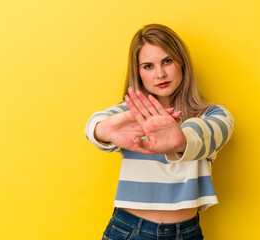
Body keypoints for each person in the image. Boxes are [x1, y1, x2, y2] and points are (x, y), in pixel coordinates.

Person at [85, 24, 234, 240]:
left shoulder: (212, 115)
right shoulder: (131, 114)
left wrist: (181, 140)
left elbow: (209, 132)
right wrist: (103, 130)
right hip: (129, 230)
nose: (160, 74)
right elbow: (96, 124)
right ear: (138, 72)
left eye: (167, 61)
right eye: (148, 66)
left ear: (182, 63)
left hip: (187, 233)